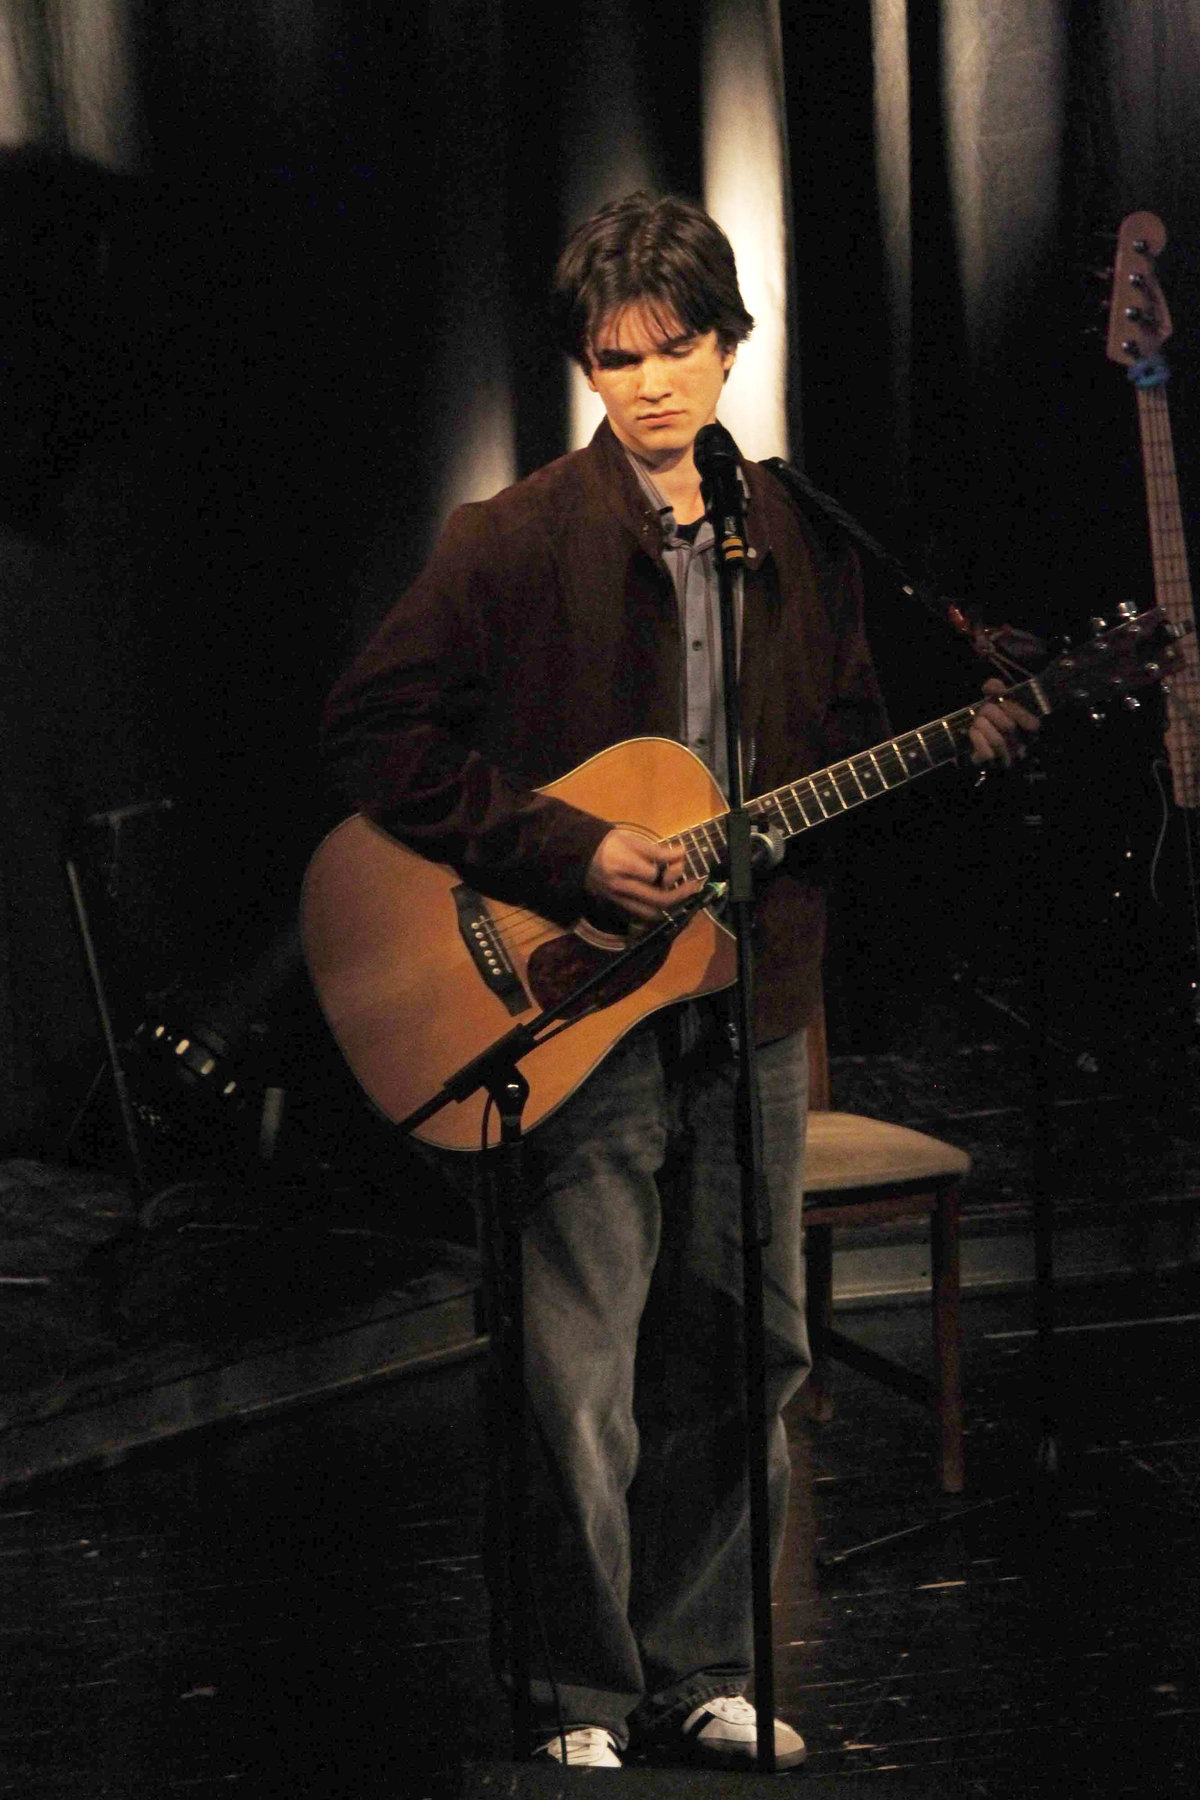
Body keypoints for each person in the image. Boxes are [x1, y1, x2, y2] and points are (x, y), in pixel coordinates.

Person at [320, 192, 1035, 1772]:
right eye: (615, 357)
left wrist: (953, 752)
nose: (647, 384)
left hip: (748, 998)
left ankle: (702, 1665)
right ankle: (574, 1688)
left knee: (747, 1344)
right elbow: (372, 732)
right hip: (573, 999)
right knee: (575, 1369)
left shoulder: (797, 533)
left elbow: (843, 747)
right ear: (586, 365)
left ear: (730, 345)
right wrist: (571, 849)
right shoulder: (512, 539)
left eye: (675, 349)